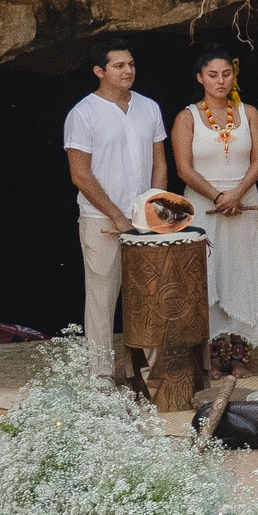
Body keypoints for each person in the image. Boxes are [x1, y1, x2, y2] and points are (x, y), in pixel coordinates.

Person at [62, 35, 167, 378]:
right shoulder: (83, 114)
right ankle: (102, 378)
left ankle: (152, 373)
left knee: (150, 295)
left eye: (131, 64)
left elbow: (159, 164)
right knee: (102, 301)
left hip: (144, 220)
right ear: (98, 71)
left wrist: (156, 207)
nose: (128, 71)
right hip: (101, 221)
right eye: (119, 66)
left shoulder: (149, 107)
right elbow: (80, 174)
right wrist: (118, 216)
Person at [170, 48, 258, 346]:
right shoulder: (186, 118)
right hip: (204, 206)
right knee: (208, 271)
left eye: (226, 74)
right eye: (213, 75)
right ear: (200, 78)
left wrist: (237, 193)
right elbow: (184, 169)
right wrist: (219, 197)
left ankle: (241, 347)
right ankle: (213, 349)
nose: (221, 81)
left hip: (244, 202)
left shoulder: (249, 113)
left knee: (244, 270)